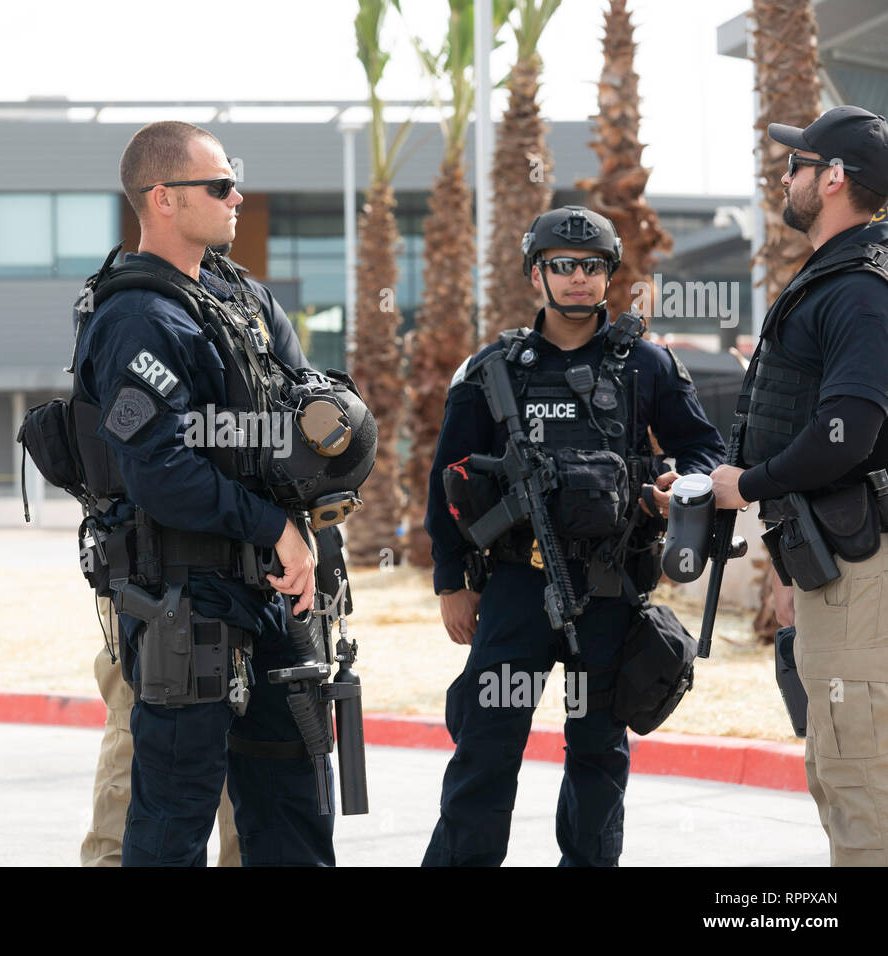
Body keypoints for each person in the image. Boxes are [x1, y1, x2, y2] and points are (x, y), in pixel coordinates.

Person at [73, 121, 352, 866]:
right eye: (220, 186)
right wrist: (273, 528)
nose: (238, 197)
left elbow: (305, 413)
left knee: (293, 811)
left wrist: (311, 523)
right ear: (162, 199)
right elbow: (158, 470)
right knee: (172, 821)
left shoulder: (243, 301)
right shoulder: (135, 318)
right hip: (185, 601)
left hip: (276, 595)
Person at [421, 205, 725, 867]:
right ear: (538, 273)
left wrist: (682, 485)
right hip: (516, 589)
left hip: (611, 588)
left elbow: (705, 449)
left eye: (591, 266)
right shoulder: (493, 368)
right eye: (563, 265)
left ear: (608, 274)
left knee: (598, 756)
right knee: (486, 747)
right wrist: (451, 580)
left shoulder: (645, 363)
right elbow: (444, 479)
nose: (579, 278)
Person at [710, 106, 888, 867]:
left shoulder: (858, 288)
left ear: (835, 179)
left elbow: (850, 428)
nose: (785, 176)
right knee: (845, 767)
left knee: (857, 782)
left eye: (797, 165)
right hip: (835, 561)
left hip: (860, 565)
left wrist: (747, 484)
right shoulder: (843, 277)